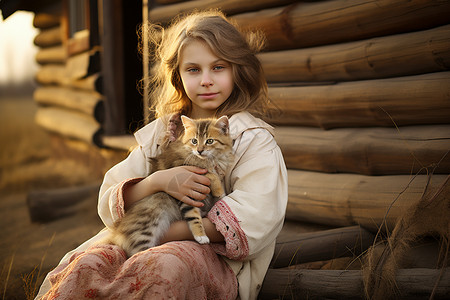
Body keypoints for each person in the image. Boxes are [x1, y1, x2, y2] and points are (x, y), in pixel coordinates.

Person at [36, 10, 288, 300]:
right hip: (142, 234)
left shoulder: (251, 138)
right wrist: (158, 182)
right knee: (87, 265)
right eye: (193, 69)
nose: (206, 80)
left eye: (218, 67)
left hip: (209, 254)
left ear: (237, 69)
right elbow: (109, 198)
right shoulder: (162, 132)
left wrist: (164, 233)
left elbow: (257, 214)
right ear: (178, 75)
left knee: (160, 267)